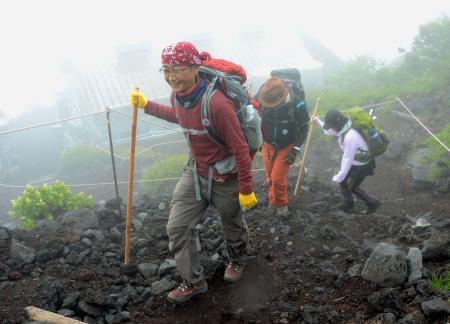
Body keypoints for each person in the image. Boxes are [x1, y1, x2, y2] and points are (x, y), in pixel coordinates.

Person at [129, 42, 257, 303]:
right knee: (177, 226)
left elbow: (240, 148)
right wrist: (146, 105)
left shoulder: (218, 105)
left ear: (195, 68)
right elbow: (179, 116)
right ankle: (194, 281)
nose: (170, 76)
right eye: (165, 69)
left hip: (225, 176)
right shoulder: (178, 96)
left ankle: (238, 259)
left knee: (231, 222)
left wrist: (245, 188)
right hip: (196, 172)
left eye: (177, 69)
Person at [256, 77, 309, 217]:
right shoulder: (263, 95)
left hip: (287, 145)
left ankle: (281, 205)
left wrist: (295, 149)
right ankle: (272, 198)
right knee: (269, 176)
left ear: (284, 95)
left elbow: (304, 128)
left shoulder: (297, 104)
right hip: (267, 143)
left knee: (277, 177)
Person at [313, 109, 381, 214]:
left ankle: (373, 203)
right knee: (343, 182)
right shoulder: (343, 129)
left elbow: (347, 159)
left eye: (332, 126)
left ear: (338, 124)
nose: (331, 129)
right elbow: (329, 131)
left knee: (352, 187)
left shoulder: (350, 136)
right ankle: (348, 206)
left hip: (362, 165)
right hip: (355, 161)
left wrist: (340, 175)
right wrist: (317, 122)